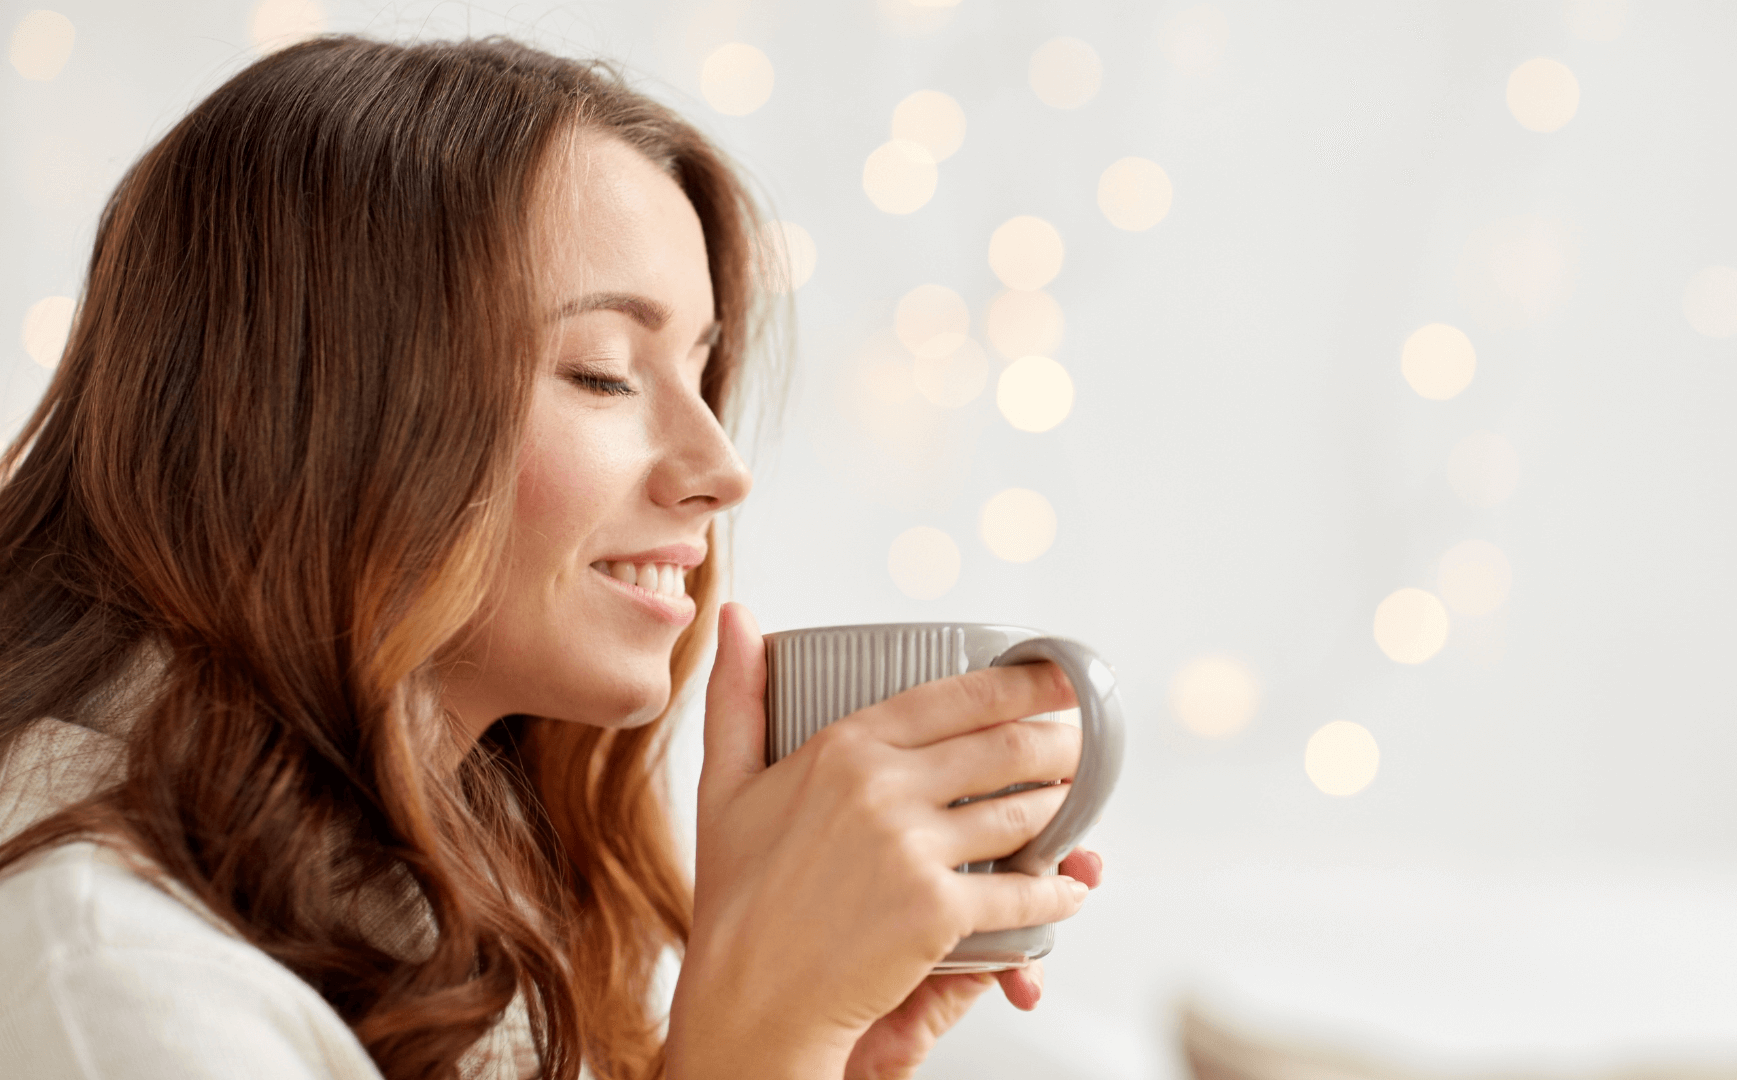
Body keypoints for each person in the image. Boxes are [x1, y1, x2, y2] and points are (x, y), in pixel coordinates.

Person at [0, 35, 1102, 1080]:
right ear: (313, 415)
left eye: (702, 371)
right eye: (605, 373)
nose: (721, 465)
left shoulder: (463, 931)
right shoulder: (112, 974)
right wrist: (752, 1047)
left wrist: (797, 1043)